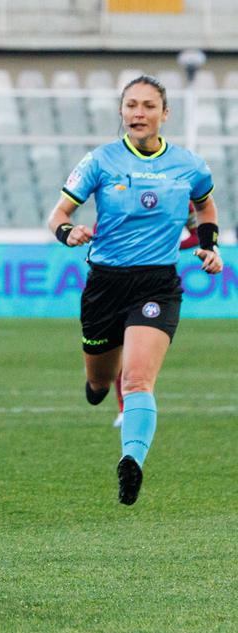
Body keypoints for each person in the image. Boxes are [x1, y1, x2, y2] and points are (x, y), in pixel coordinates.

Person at [47, 75, 222, 505]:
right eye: (130, 106)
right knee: (100, 383)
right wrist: (68, 232)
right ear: (121, 111)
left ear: (165, 114)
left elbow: (205, 205)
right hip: (105, 285)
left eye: (147, 106)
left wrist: (209, 245)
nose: (138, 114)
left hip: (157, 284)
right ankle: (98, 386)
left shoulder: (189, 165)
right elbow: (58, 214)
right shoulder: (100, 161)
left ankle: (132, 461)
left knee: (139, 377)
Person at [111, 201, 200, 428]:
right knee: (116, 350)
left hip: (157, 283)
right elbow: (103, 230)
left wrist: (170, 246)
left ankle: (128, 408)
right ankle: (120, 405)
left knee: (137, 352)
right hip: (119, 280)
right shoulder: (122, 194)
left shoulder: (183, 201)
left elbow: (197, 235)